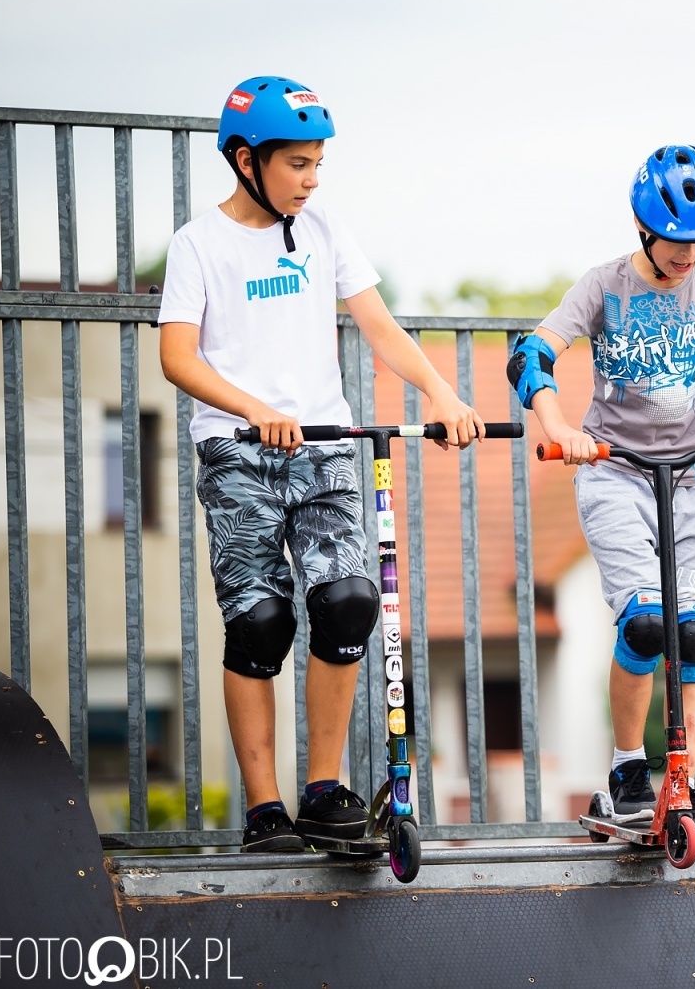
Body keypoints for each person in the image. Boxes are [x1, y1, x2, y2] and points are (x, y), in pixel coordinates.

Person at [159, 76, 481, 852]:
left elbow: (378, 326)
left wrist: (440, 389)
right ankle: (265, 810)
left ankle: (322, 792)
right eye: (297, 164)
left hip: (325, 447)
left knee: (346, 603)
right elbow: (176, 357)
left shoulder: (326, 229)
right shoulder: (198, 244)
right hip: (239, 453)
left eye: (317, 165)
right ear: (246, 160)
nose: (310, 179)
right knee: (261, 622)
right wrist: (250, 408)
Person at [507, 145, 695, 840]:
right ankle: (628, 773)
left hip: (687, 476)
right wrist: (556, 422)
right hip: (614, 471)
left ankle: (680, 777)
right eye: (677, 242)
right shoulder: (603, 287)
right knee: (646, 624)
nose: (690, 255)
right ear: (640, 225)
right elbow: (531, 352)